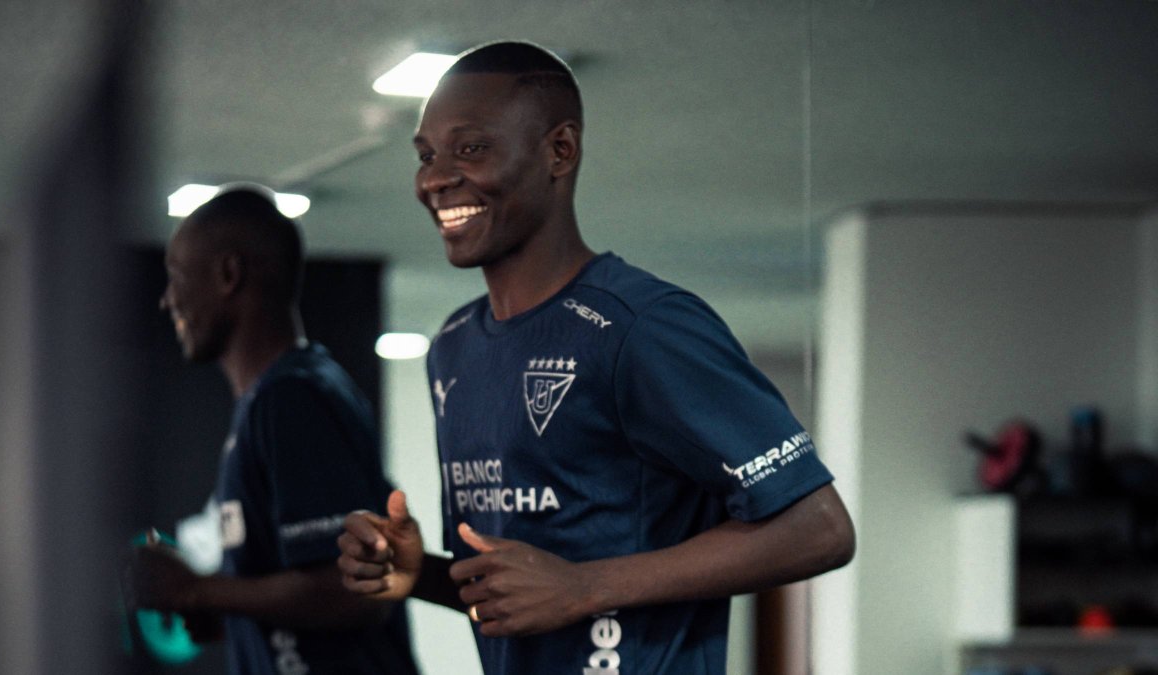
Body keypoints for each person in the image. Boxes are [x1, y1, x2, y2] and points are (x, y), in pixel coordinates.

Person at [337, 41, 856, 675]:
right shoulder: (453, 348)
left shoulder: (643, 327)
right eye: (425, 155)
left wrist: (586, 586)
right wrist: (419, 576)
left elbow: (820, 528)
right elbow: (526, 593)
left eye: (470, 148)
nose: (434, 178)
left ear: (560, 150)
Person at [127, 186, 419, 675]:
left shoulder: (296, 398)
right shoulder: (268, 401)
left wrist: (196, 589)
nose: (167, 301)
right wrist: (226, 613)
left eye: (175, 279)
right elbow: (298, 594)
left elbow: (352, 590)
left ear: (228, 275)